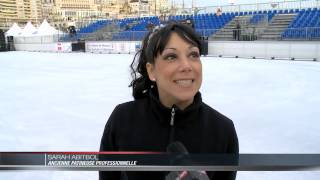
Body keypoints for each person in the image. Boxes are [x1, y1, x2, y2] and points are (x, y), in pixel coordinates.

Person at [99, 22, 239, 180]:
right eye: (171, 57)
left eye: (193, 55)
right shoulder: (122, 119)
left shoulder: (222, 130)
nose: (186, 66)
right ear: (151, 71)